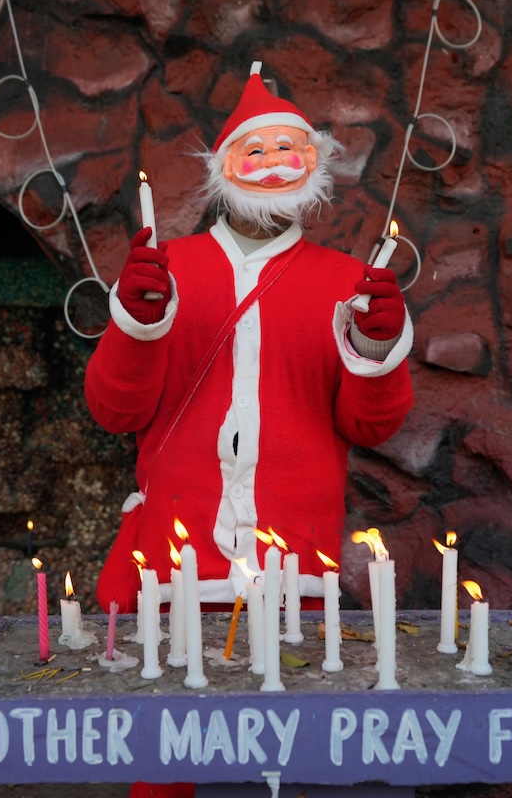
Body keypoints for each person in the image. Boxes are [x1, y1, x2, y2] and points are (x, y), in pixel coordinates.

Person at [85, 61, 413, 619]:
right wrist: (137, 326)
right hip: (173, 565)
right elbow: (115, 412)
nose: (271, 163)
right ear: (224, 167)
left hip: (298, 566)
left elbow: (370, 428)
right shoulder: (167, 270)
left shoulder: (346, 281)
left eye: (287, 149)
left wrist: (379, 350)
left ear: (311, 163)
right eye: (254, 151)